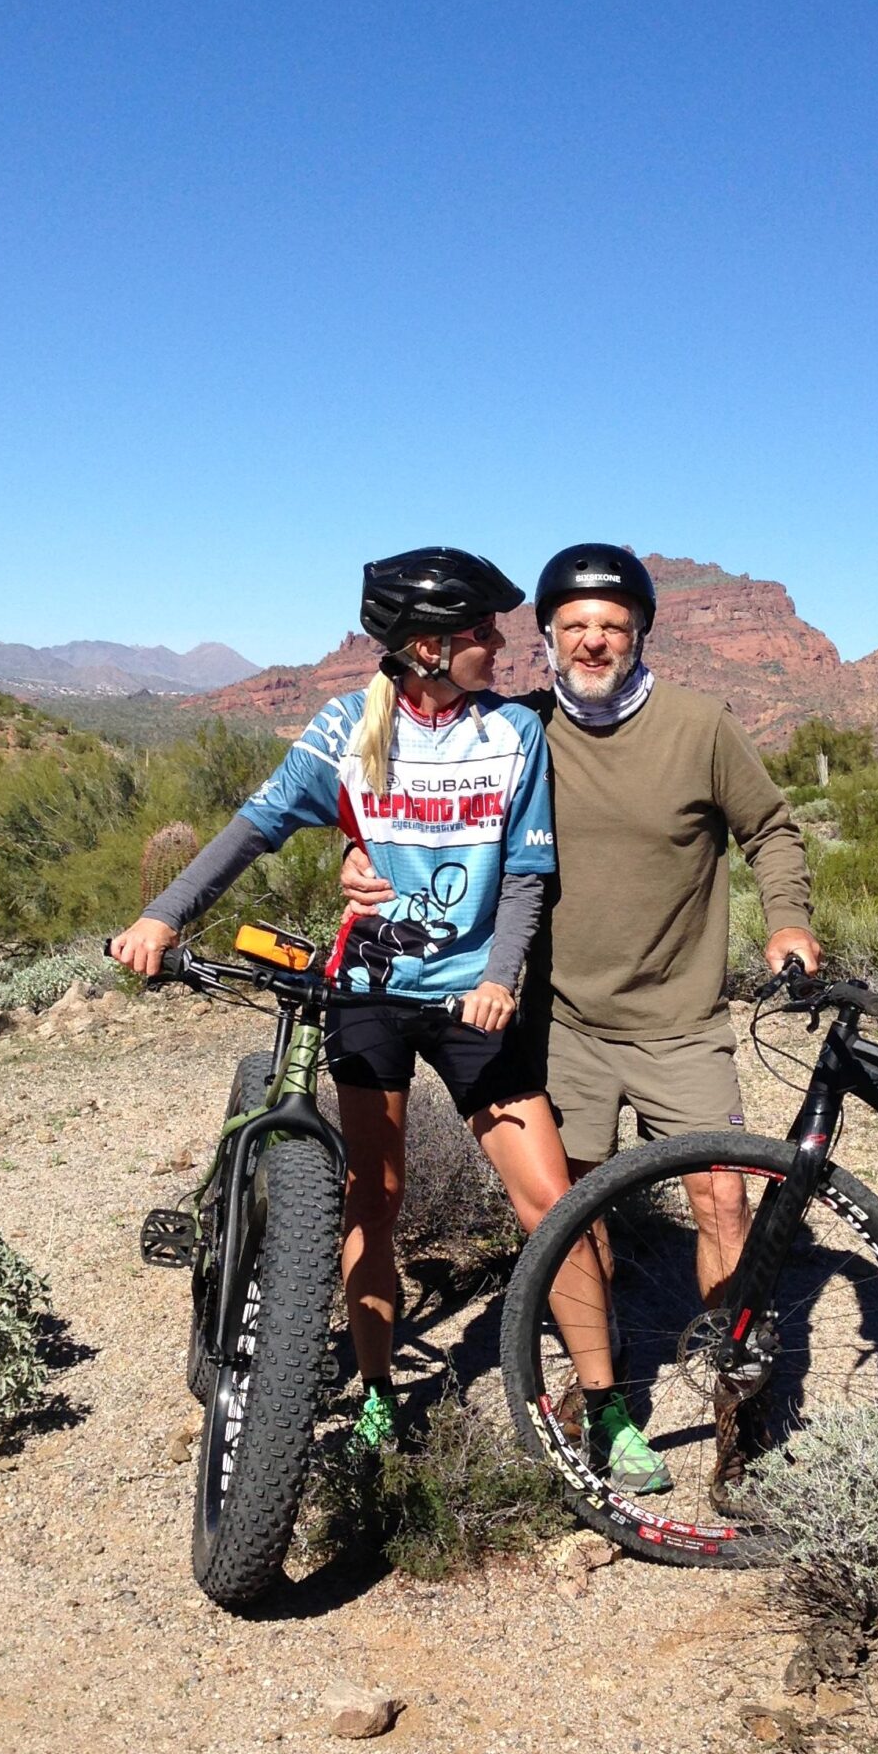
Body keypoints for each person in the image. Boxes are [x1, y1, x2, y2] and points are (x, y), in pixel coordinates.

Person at [111, 546, 667, 1483]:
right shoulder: (344, 730)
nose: (502, 644)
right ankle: (376, 1394)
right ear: (427, 649)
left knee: (550, 1201)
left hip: (472, 1003)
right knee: (375, 1198)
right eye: (483, 634)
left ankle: (607, 1407)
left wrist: (499, 974)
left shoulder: (513, 736)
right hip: (368, 992)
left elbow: (527, 876)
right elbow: (252, 829)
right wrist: (163, 915)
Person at [342, 541, 820, 1482]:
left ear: (639, 633)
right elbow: (410, 798)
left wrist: (788, 922)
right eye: (576, 627)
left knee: (723, 1198)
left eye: (613, 626)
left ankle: (741, 1415)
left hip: (681, 1016)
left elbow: (769, 827)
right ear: (548, 639)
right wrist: (357, 864)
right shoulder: (515, 728)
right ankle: (600, 1394)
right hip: (562, 1023)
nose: (594, 641)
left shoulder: (701, 725)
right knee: (575, 1212)